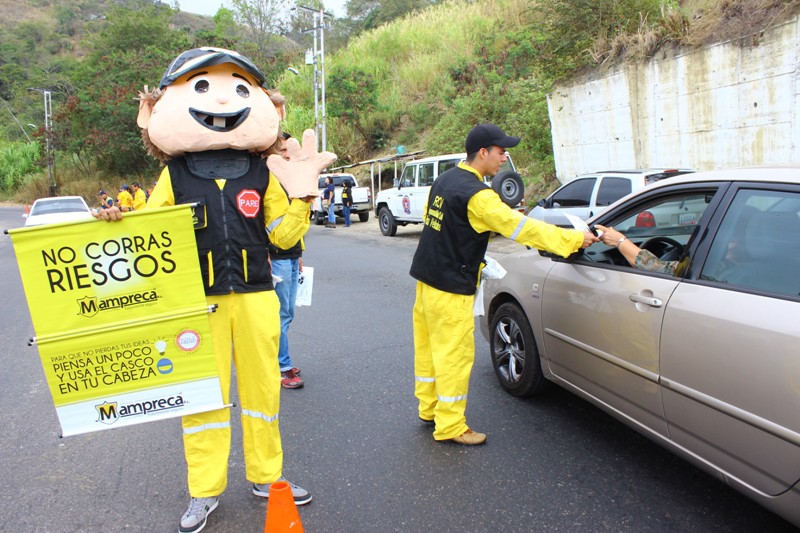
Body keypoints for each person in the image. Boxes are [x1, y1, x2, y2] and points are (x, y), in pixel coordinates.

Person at [95, 47, 335, 533]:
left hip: (254, 296)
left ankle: (268, 476)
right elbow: (148, 231)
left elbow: (282, 237)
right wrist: (116, 221)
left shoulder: (259, 172)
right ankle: (203, 491)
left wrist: (304, 198)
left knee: (263, 391)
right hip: (196, 303)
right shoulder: (175, 174)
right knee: (202, 397)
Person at [409, 123, 597, 446]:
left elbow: (438, 225)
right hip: (452, 287)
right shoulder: (479, 196)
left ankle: (429, 409)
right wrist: (573, 240)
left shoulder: (444, 180)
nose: (504, 157)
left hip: (427, 282)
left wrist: (474, 252)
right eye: (500, 151)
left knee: (428, 350)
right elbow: (523, 228)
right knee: (454, 354)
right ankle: (451, 425)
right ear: (483, 153)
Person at [270, 132, 304, 389]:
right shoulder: (266, 180)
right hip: (276, 257)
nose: (286, 155)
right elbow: (258, 221)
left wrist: (300, 254)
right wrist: (265, 255)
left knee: (288, 313)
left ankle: (280, 361)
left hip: (291, 256)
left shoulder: (289, 180)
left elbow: (295, 222)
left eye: (289, 151)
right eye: (282, 150)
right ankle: (281, 367)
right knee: (280, 314)